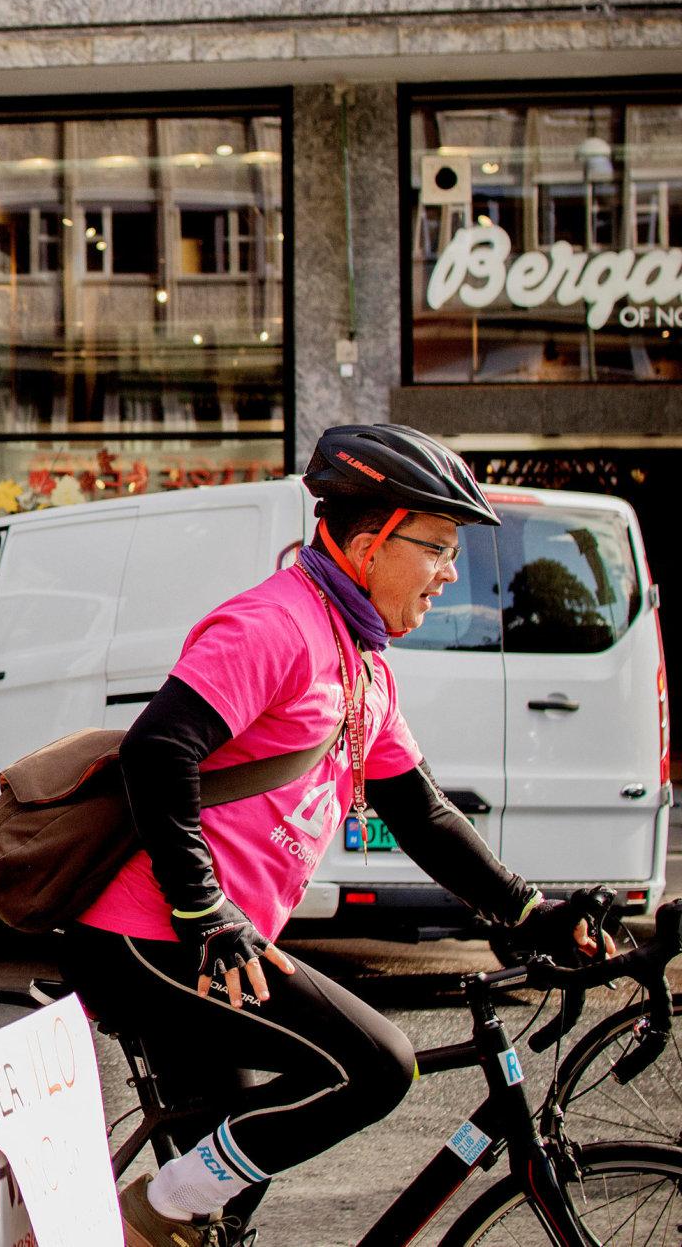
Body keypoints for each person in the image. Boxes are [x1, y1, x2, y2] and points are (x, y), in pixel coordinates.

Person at [56, 424, 614, 1247]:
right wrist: (204, 910)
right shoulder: (274, 624)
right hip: (149, 938)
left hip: (222, 951)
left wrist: (528, 911)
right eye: (438, 546)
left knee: (223, 1192)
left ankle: (122, 1222)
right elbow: (158, 745)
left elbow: (420, 811)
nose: (451, 572)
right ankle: (135, 1214)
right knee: (379, 1065)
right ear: (370, 539)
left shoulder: (360, 662)